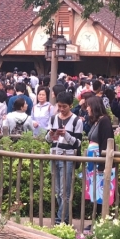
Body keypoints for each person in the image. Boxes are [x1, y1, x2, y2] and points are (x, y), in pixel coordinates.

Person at [46, 92, 85, 225]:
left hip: (68, 157)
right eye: (59, 106)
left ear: (71, 106)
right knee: (57, 190)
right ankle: (64, 218)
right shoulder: (53, 118)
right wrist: (51, 134)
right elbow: (47, 140)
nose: (61, 109)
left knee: (64, 191)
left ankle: (60, 220)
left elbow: (78, 143)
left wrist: (66, 135)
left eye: (64, 107)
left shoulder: (76, 121)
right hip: (54, 154)